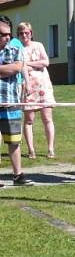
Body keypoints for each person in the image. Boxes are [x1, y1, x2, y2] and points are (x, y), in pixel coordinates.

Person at [0, 15, 33, 186]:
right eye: (3, 34)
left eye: (8, 34)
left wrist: (10, 69)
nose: (7, 37)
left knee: (13, 140)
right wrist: (6, 69)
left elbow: (17, 67)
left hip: (10, 100)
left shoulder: (16, 47)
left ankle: (18, 176)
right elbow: (10, 69)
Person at [17, 22, 55, 160]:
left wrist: (28, 64)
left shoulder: (38, 45)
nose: (24, 35)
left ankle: (50, 148)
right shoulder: (18, 49)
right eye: (21, 33)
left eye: (26, 32)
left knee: (47, 118)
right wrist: (27, 66)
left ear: (31, 33)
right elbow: (19, 67)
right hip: (27, 87)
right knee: (28, 120)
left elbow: (45, 62)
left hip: (43, 86)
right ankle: (31, 150)